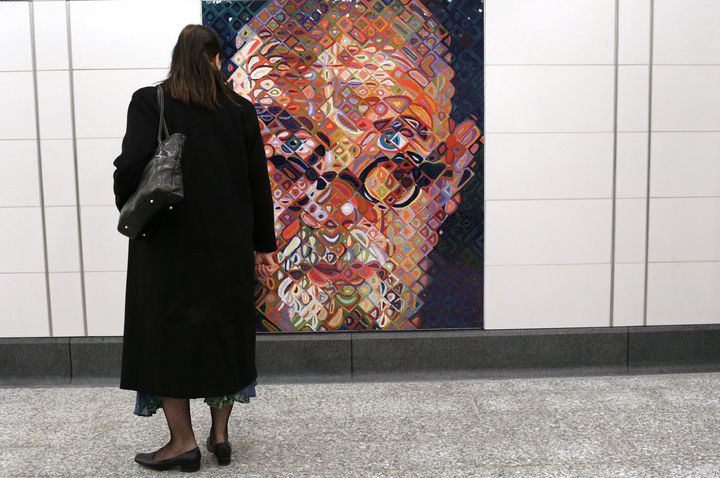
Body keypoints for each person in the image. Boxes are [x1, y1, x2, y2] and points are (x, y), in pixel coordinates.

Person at [112, 24, 278, 472]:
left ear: (176, 57)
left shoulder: (151, 101)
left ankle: (182, 443)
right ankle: (220, 436)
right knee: (222, 333)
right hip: (227, 244)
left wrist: (127, 199)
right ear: (215, 59)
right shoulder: (239, 109)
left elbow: (130, 165)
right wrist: (264, 244)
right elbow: (257, 182)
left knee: (167, 337)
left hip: (166, 243)